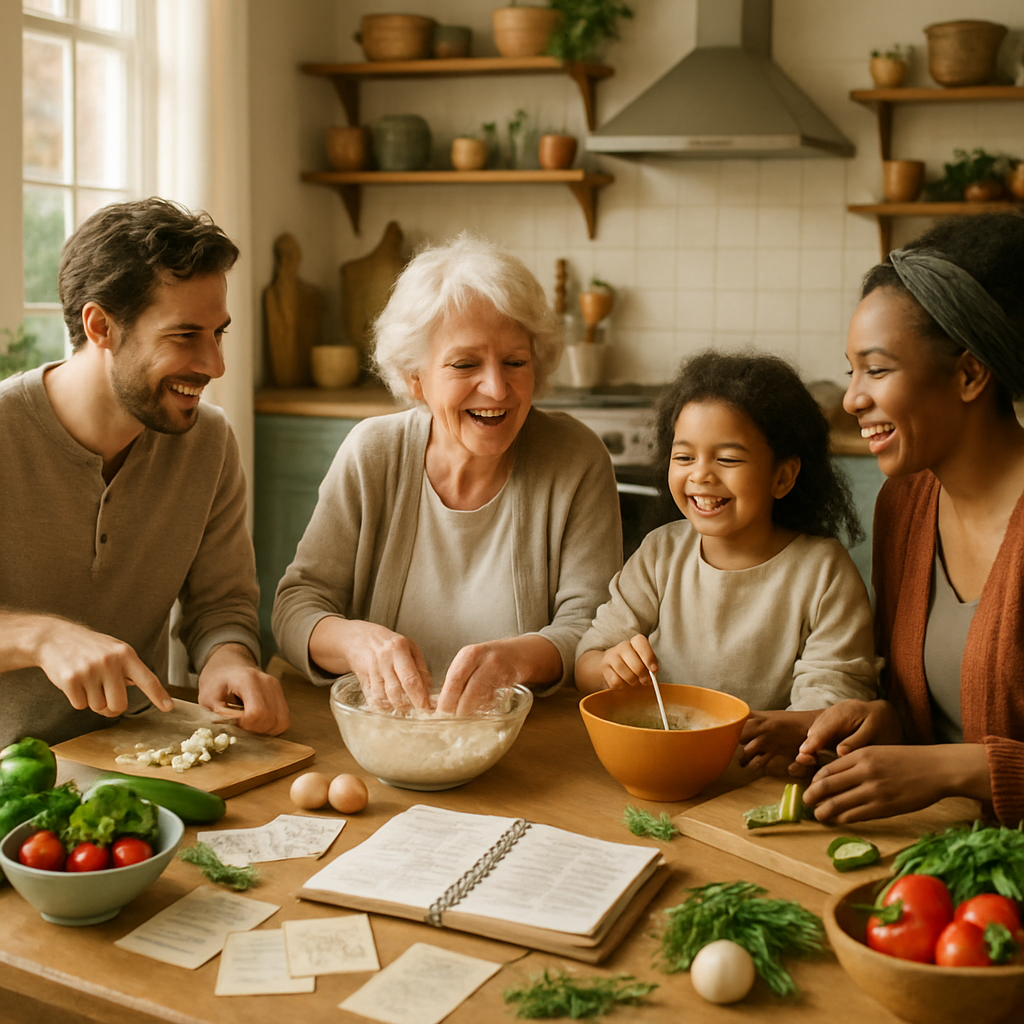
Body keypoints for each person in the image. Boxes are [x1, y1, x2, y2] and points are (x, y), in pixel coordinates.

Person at [272, 233, 622, 715]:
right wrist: (357, 642)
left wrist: (516, 660)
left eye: (515, 362)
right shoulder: (373, 452)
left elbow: (594, 626)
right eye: (465, 364)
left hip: (528, 745)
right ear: (416, 377)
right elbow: (296, 606)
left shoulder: (576, 458)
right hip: (384, 731)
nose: (497, 388)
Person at [0, 197, 290, 748]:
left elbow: (220, 605)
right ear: (101, 325)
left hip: (138, 760)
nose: (215, 365)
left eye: (218, 333)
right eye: (185, 336)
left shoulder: (209, 443)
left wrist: (227, 660)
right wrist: (39, 636)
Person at [798, 212, 1024, 827]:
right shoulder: (905, 504)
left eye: (877, 368)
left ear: (969, 374)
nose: (852, 399)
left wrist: (951, 770)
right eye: (852, 371)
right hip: (931, 854)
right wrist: (886, 720)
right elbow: (929, 710)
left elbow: (948, 759)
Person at [575, 351, 880, 769]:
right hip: (658, 761)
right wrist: (610, 667)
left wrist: (777, 734)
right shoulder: (660, 553)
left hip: (761, 773)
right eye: (684, 457)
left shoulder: (823, 572)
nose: (701, 475)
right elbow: (588, 660)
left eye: (728, 459)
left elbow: (832, 702)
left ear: (783, 477)